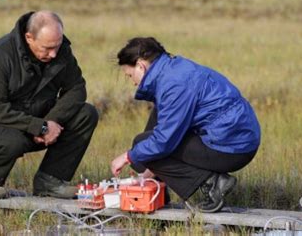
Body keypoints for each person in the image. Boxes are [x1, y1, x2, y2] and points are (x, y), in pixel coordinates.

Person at [110, 37, 261, 213]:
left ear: (140, 66)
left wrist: (128, 157)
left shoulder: (174, 84)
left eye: (130, 75)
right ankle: (154, 185)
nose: (133, 83)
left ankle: (213, 183)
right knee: (156, 122)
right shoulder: (174, 71)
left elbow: (163, 142)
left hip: (233, 147)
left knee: (141, 146)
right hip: (233, 136)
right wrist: (146, 174)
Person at [0, 11, 98, 199]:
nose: (53, 54)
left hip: (38, 120)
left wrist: (50, 122)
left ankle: (50, 181)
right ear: (29, 38)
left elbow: (76, 89)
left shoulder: (61, 51)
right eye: (47, 48)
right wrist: (39, 127)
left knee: (86, 113)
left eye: (57, 46)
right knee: (12, 140)